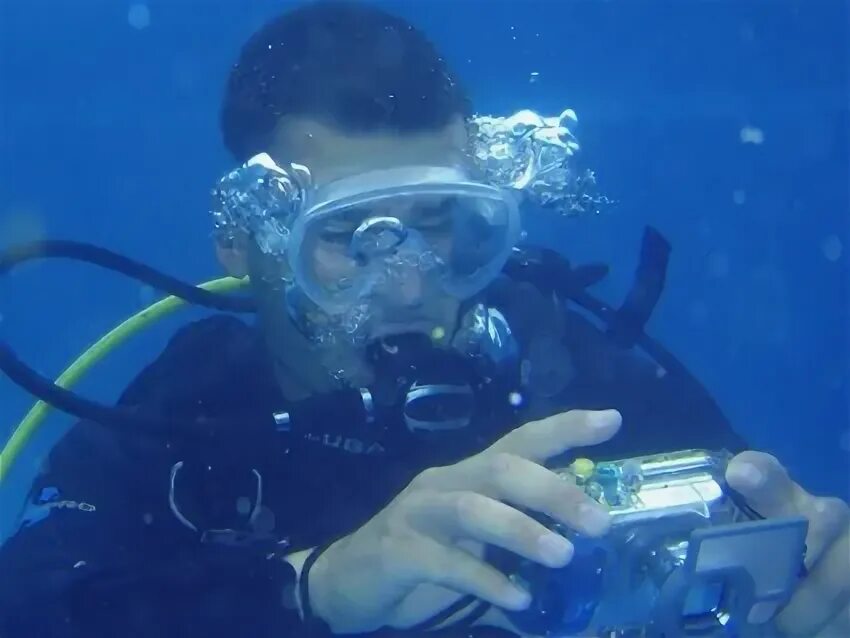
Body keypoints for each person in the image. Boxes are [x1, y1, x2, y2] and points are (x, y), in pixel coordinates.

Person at [0, 2, 847, 637]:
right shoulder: (195, 404)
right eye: (347, 236)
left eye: (443, 224)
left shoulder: (569, 378)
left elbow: (754, 554)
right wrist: (311, 588)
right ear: (244, 240)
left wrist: (803, 608)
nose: (410, 287)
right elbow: (33, 601)